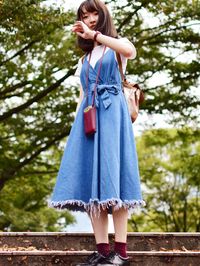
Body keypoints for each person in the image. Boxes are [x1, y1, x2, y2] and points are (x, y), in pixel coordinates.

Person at [48, 0, 146, 265]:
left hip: (113, 116)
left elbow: (131, 51)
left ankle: (121, 253)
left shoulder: (116, 48)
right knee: (93, 185)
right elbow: (81, 97)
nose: (89, 18)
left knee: (115, 178)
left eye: (94, 13)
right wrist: (76, 130)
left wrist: (97, 36)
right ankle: (103, 251)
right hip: (89, 120)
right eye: (84, 15)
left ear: (103, 16)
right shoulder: (84, 59)